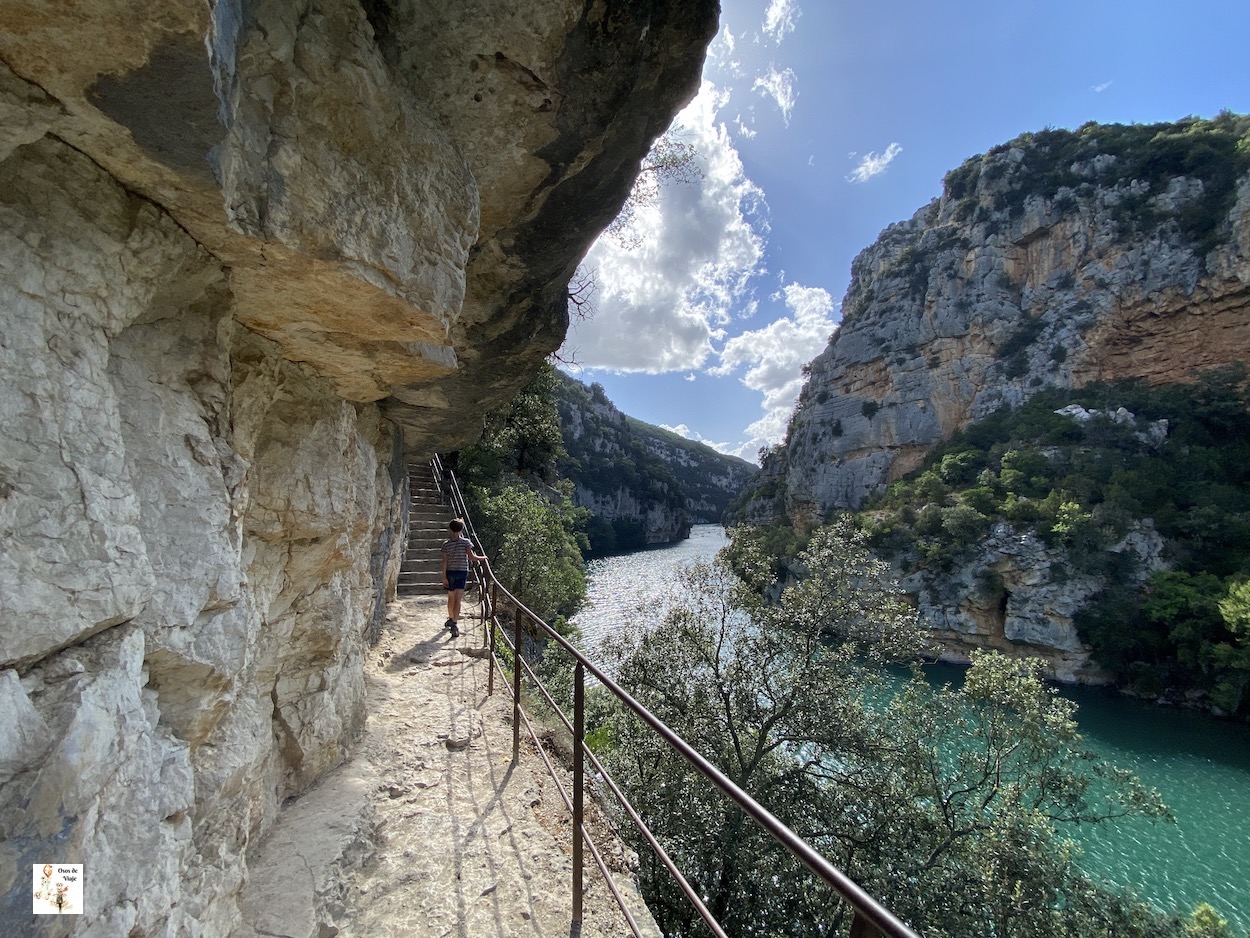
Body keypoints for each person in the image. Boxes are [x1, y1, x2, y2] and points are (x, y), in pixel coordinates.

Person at [441, 518, 485, 639]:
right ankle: (455, 623)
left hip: (450, 572)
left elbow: (444, 561)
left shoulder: (446, 544)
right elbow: (472, 557)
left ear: (450, 529)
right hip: (461, 572)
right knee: (458, 599)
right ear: (461, 529)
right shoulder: (466, 542)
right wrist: (483, 558)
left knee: (451, 597)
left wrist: (443, 576)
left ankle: (450, 618)